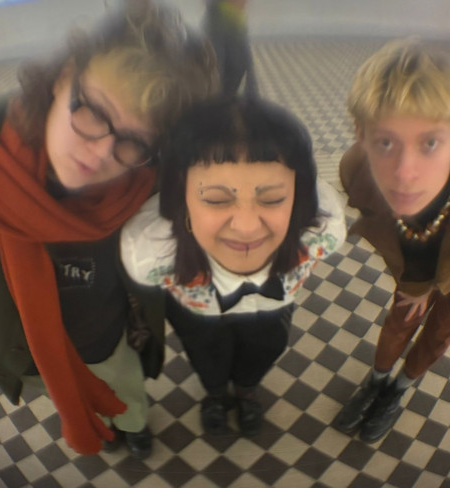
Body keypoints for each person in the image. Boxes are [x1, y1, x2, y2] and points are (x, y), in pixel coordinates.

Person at [0, 0, 217, 458]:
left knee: (127, 397)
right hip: (25, 345)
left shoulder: (149, 182)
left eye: (133, 141)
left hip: (113, 338)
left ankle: (131, 426)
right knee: (60, 389)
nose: (100, 153)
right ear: (64, 76)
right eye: (93, 111)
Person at [121, 96, 346, 436]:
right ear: (180, 195)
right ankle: (214, 393)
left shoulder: (321, 231)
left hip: (274, 306)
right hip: (197, 313)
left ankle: (246, 389)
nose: (246, 227)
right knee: (205, 354)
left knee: (266, 347)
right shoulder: (150, 252)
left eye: (272, 199)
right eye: (216, 199)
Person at [333, 40, 450, 443]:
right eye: (385, 143)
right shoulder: (356, 173)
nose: (405, 173)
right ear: (361, 135)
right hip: (415, 267)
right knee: (400, 320)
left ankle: (399, 389)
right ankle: (377, 382)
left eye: (429, 143)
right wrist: (416, 284)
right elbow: (389, 234)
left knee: (440, 330)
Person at [203, 0, 259, 96]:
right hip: (222, 102)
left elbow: (247, 67)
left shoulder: (235, 20)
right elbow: (215, 81)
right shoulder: (216, 27)